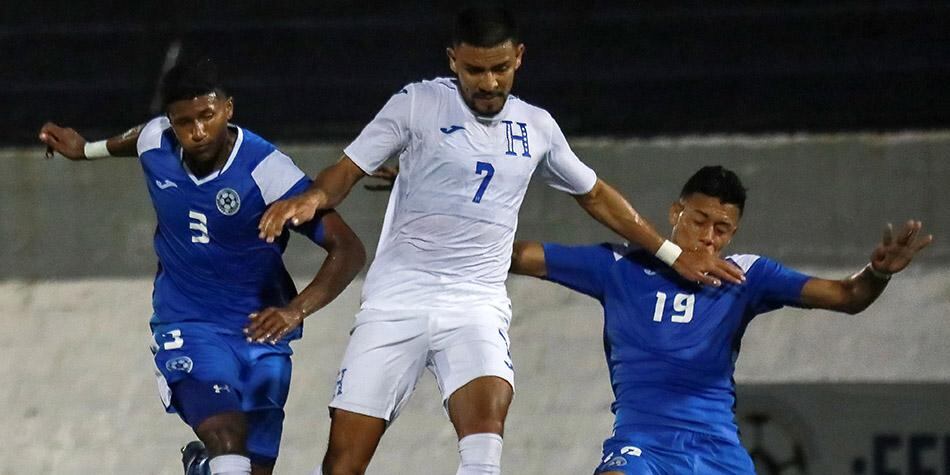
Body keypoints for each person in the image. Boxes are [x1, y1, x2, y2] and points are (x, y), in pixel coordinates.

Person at [256, 7, 745, 475]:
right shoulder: (416, 103)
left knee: (484, 449)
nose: (489, 82)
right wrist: (316, 196)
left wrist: (670, 252)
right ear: (453, 60)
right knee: (342, 464)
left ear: (519, 58)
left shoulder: (537, 127)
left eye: (500, 68)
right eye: (474, 70)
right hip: (396, 301)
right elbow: (347, 169)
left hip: (476, 306)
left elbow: (595, 195)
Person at [38, 58, 366, 475]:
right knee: (227, 439)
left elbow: (348, 248)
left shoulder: (267, 170)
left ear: (228, 108)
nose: (196, 132)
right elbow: (140, 136)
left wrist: (295, 309)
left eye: (207, 116)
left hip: (259, 331)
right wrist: (86, 150)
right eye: (184, 122)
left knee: (249, 468)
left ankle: (202, 468)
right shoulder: (158, 140)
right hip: (187, 324)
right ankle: (211, 459)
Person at [508, 165, 933, 474]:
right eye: (700, 221)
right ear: (676, 213)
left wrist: (876, 273)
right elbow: (520, 256)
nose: (709, 236)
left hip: (716, 450)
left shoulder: (746, 276)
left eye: (723, 228)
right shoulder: (618, 265)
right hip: (643, 443)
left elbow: (848, 296)